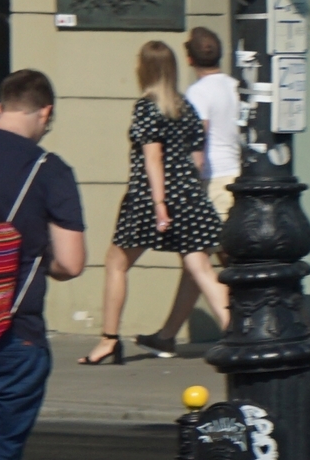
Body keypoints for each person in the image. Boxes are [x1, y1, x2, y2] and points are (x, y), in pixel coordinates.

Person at [0, 71, 88, 460]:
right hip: (15, 332)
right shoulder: (50, 171)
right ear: (45, 114)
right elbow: (72, 263)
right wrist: (35, 261)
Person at [85, 41, 228, 365]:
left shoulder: (147, 106)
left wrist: (160, 205)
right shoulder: (185, 107)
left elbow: (152, 159)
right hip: (190, 194)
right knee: (199, 267)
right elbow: (197, 159)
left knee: (116, 263)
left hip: (149, 199)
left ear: (145, 69)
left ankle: (109, 340)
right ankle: (235, 333)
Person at [183, 27, 242, 223]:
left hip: (214, 177)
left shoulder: (197, 93)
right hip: (239, 174)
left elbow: (198, 140)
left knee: (221, 246)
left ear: (189, 59)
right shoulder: (236, 86)